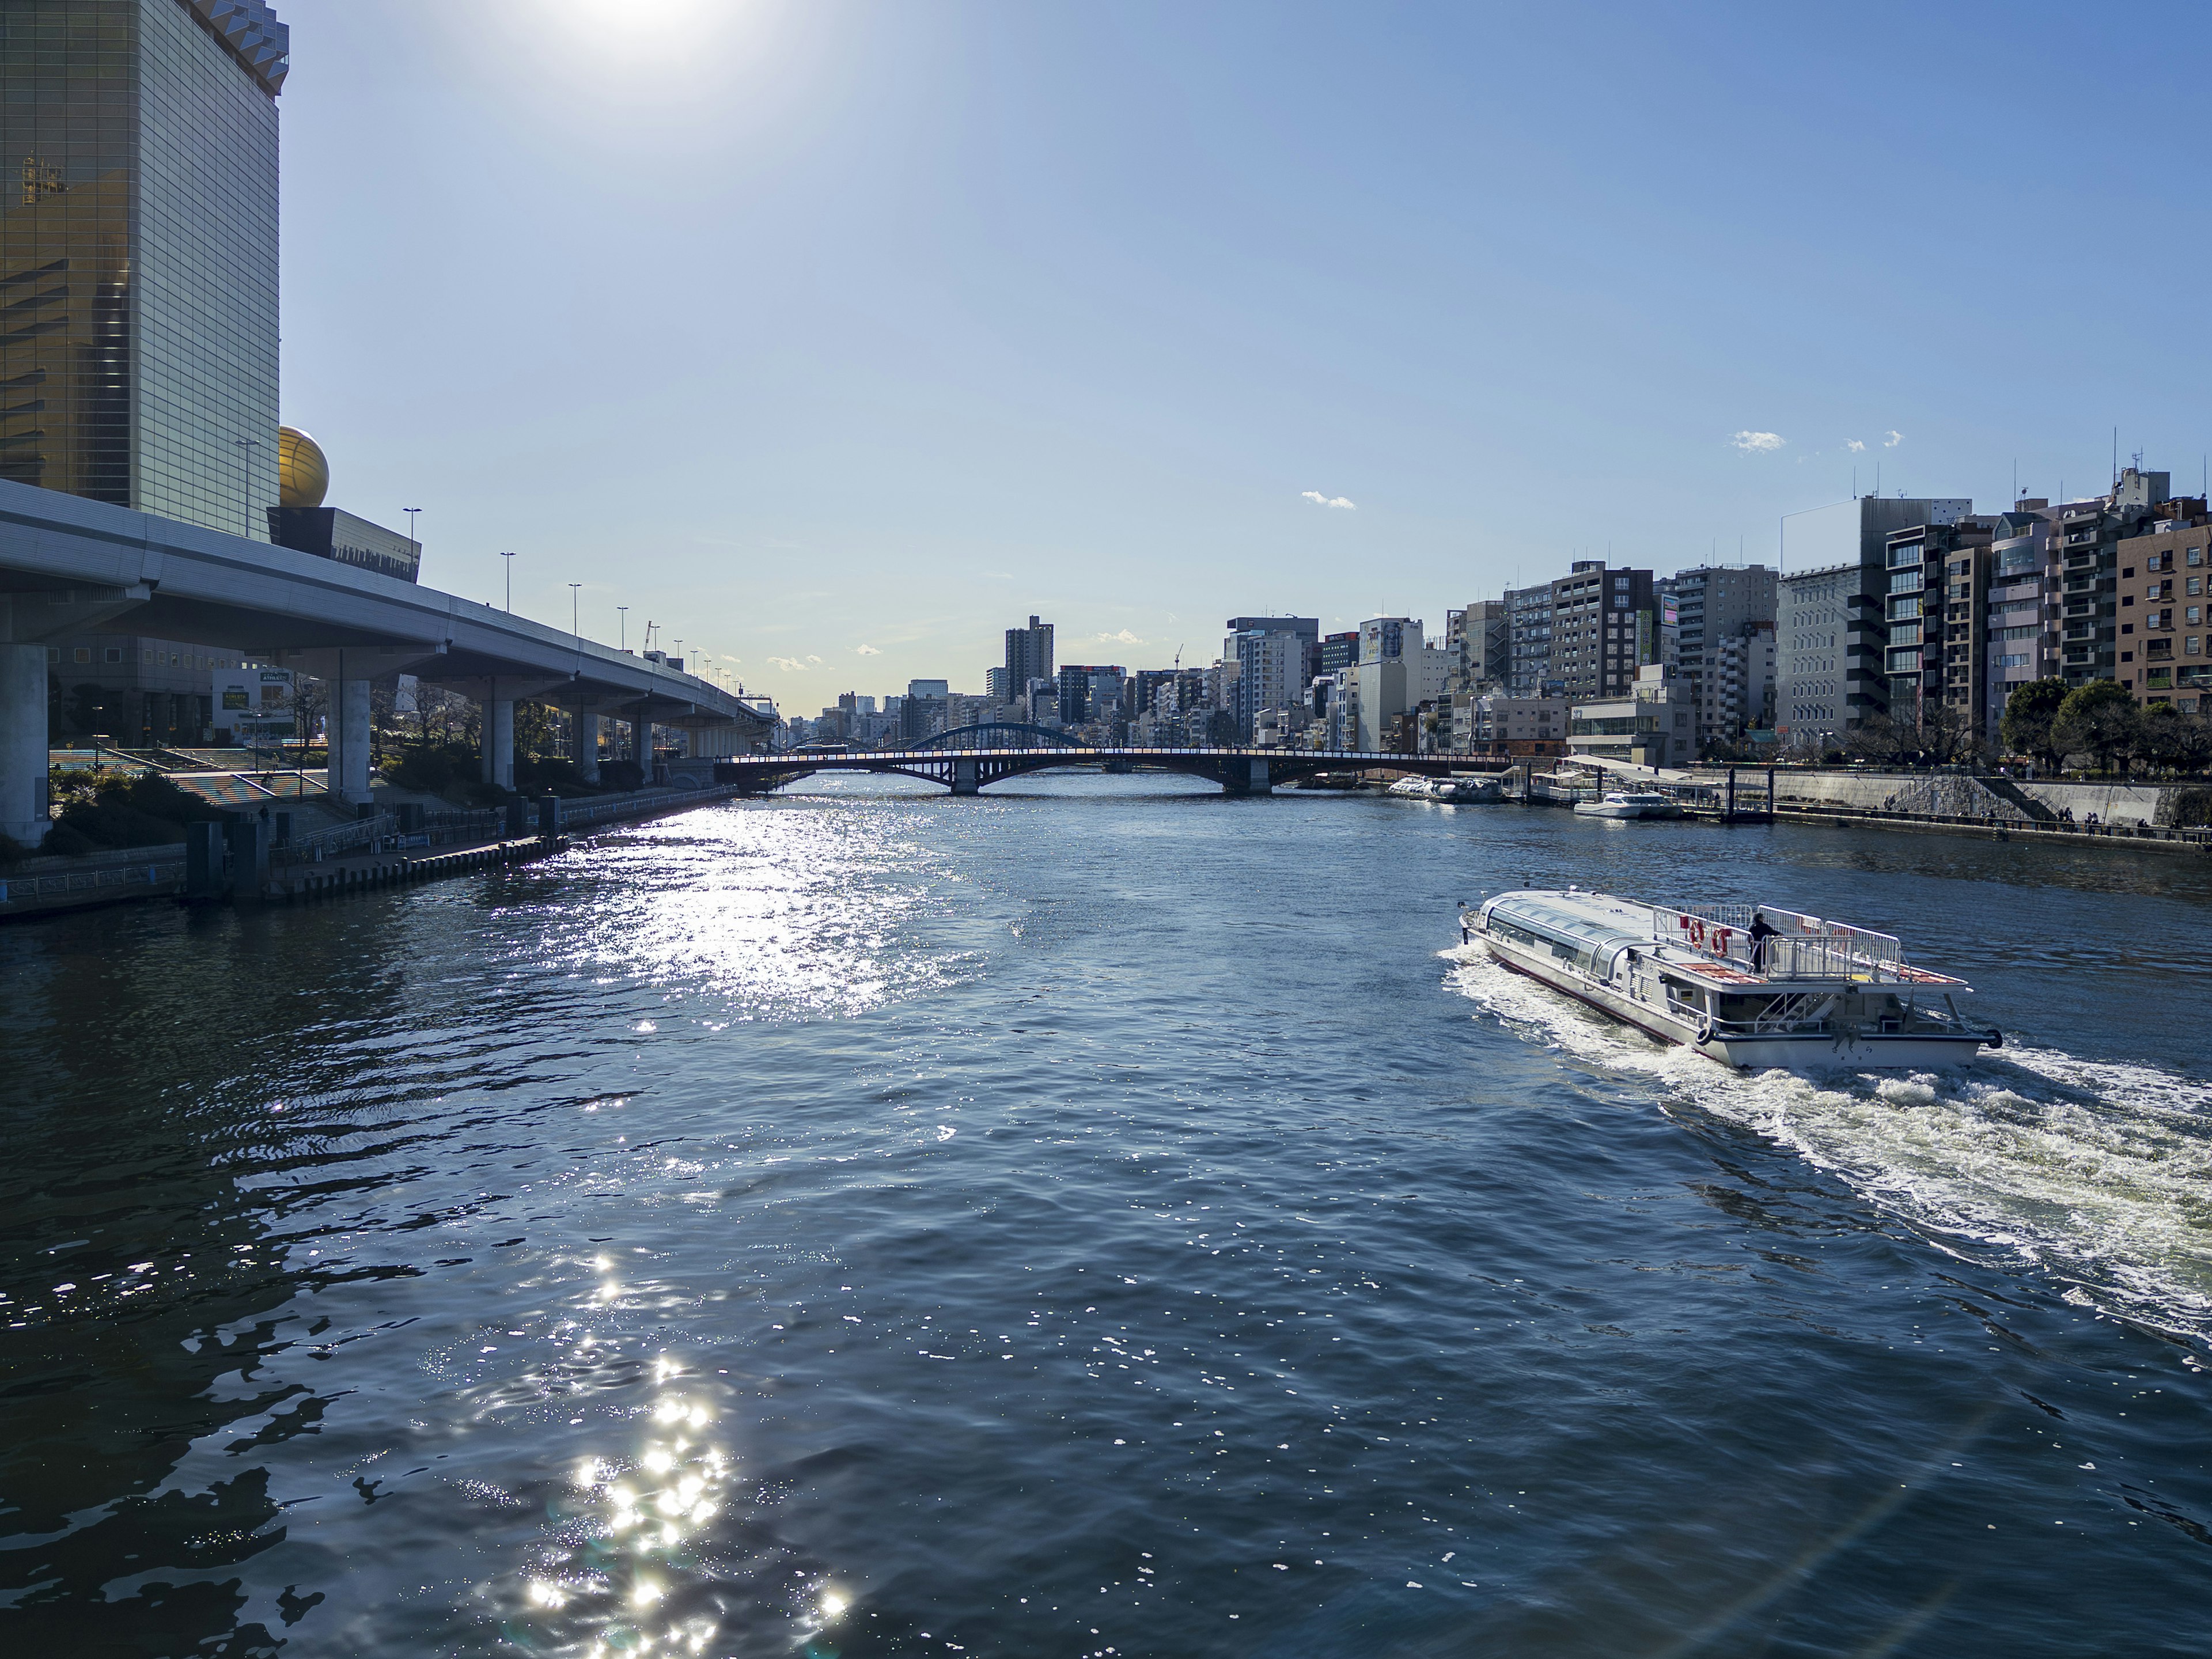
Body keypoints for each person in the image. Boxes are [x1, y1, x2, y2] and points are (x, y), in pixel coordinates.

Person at [1748, 908, 1779, 972]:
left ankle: (1757, 969)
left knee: (1757, 959)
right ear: (1760, 919)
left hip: (1754, 946)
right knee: (1766, 957)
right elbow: (1772, 932)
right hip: (1764, 946)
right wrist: (1779, 933)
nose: (1763, 919)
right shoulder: (1765, 926)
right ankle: (1765, 969)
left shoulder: (1752, 927)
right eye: (1762, 918)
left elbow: (1749, 937)